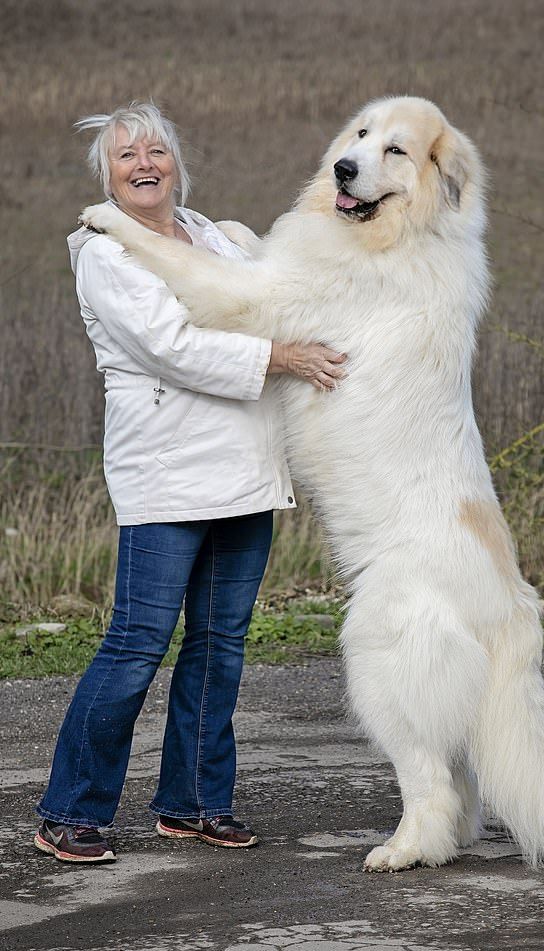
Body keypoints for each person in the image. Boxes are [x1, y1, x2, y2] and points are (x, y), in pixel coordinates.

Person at [34, 102, 346, 863]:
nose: (144, 164)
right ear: (107, 177)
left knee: (219, 647)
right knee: (137, 644)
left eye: (156, 151)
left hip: (245, 471)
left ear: (176, 163)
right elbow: (173, 345)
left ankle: (195, 802)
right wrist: (280, 355)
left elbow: (268, 301)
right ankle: (69, 809)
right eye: (126, 156)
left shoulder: (211, 236)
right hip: (168, 475)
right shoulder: (106, 250)